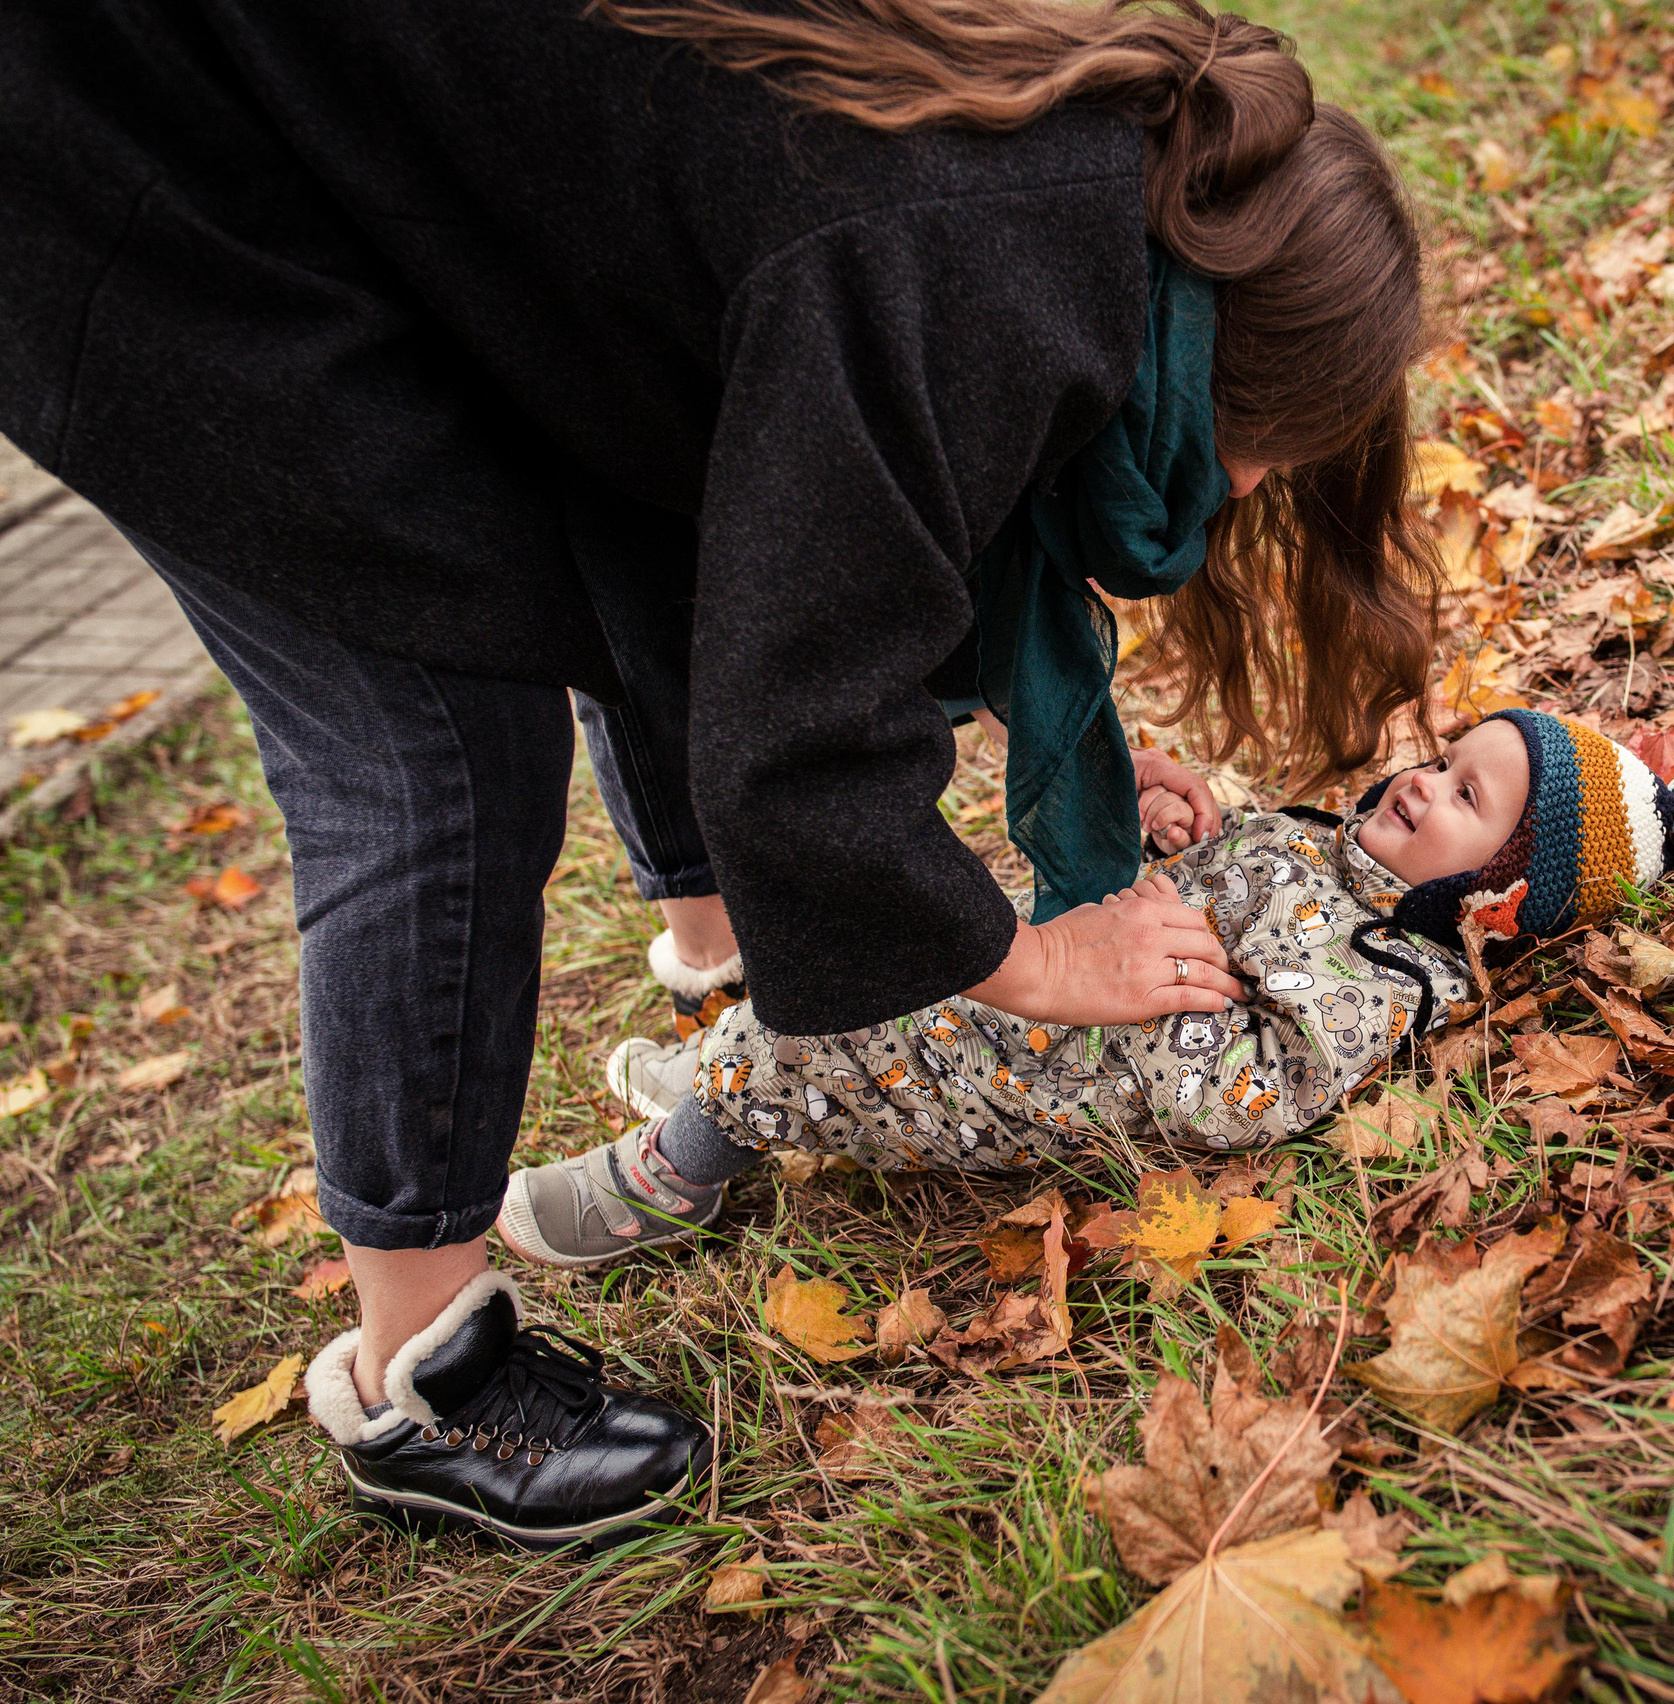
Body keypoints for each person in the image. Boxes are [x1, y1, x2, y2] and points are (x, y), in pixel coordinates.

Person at [0, 0, 1440, 1547]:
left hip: (301, 130)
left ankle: (725, 999)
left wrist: (1046, 732)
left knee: (632, 541)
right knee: (434, 750)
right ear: (1235, 352)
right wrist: (1028, 956)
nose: (1250, 499)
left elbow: (796, 538)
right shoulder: (974, 258)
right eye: (1274, 462)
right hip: (146, 165)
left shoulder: (1079, 185)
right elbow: (799, 714)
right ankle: (419, 1373)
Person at [497, 711, 1674, 1264]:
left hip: (1070, 1076)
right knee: (878, 943)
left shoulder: (1382, 977)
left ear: (1494, 899)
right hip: (1051, 997)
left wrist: (1166, 948)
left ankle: (673, 1173)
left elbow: (1242, 1092)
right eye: (1444, 762)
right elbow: (1235, 890)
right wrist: (1188, 834)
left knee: (842, 1050)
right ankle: (711, 1078)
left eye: (1465, 800)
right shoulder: (1335, 856)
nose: (1421, 784)